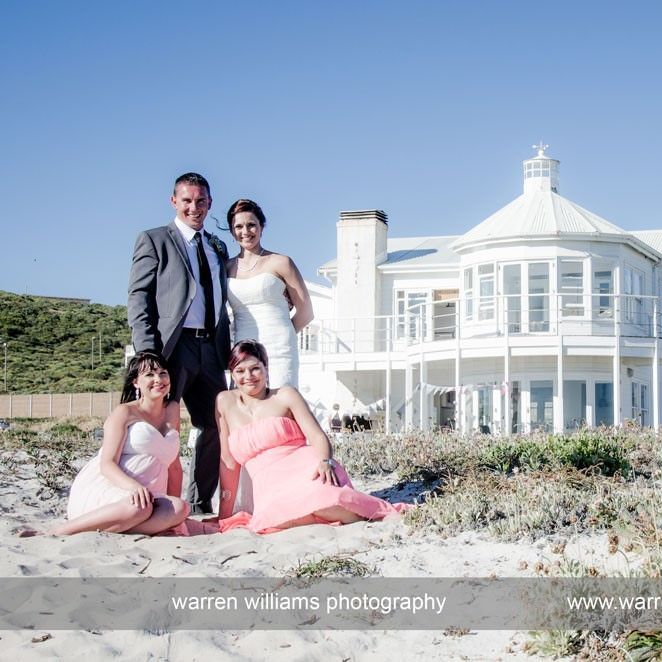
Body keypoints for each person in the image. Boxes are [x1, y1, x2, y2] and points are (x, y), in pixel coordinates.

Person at [216, 340, 409, 533]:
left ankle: (366, 516)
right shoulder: (225, 402)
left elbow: (317, 436)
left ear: (266, 369)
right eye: (240, 371)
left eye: (255, 369)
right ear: (232, 373)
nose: (248, 376)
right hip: (270, 485)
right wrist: (224, 515)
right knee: (276, 520)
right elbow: (228, 462)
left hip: (307, 469)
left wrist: (325, 461)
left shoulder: (285, 395)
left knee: (327, 504)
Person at [128, 172, 231, 515]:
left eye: (201, 201)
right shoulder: (155, 240)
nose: (194, 207)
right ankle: (151, 501)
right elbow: (138, 297)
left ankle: (200, 504)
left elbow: (222, 301)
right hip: (171, 349)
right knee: (160, 427)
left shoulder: (217, 246)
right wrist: (147, 353)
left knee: (215, 425)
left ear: (210, 203)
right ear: (174, 202)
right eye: (187, 200)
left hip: (211, 350)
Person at [53, 352, 189, 535]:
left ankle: (123, 528)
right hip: (114, 487)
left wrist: (176, 519)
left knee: (180, 508)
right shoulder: (125, 412)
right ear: (136, 382)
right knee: (140, 508)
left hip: (150, 494)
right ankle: (59, 532)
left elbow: (174, 465)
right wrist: (133, 487)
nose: (158, 379)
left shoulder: (172, 409)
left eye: (163, 373)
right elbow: (107, 464)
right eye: (149, 374)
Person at [225, 199, 313, 389]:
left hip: (279, 347)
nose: (245, 231)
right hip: (243, 348)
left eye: (251, 225)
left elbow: (306, 312)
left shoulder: (281, 262)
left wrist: (283, 335)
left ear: (261, 227)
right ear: (232, 231)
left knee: (280, 402)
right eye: (238, 226)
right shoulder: (225, 268)